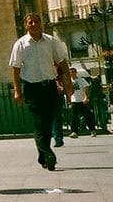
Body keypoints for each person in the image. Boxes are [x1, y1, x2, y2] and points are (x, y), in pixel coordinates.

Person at [9, 13, 71, 171]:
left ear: (41, 24)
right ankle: (49, 155)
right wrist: (17, 90)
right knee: (38, 122)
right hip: (32, 88)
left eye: (36, 22)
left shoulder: (51, 41)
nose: (34, 25)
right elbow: (15, 69)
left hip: (49, 86)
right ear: (26, 25)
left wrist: (68, 84)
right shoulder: (20, 44)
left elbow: (62, 63)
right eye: (31, 22)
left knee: (48, 123)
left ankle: (42, 155)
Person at [68, 67, 97, 138]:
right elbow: (68, 92)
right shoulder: (69, 81)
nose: (71, 74)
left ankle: (92, 130)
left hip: (82, 100)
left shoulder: (81, 80)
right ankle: (74, 132)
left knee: (87, 116)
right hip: (74, 101)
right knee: (74, 118)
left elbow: (87, 89)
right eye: (70, 72)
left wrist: (86, 98)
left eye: (72, 72)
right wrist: (69, 101)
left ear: (75, 73)